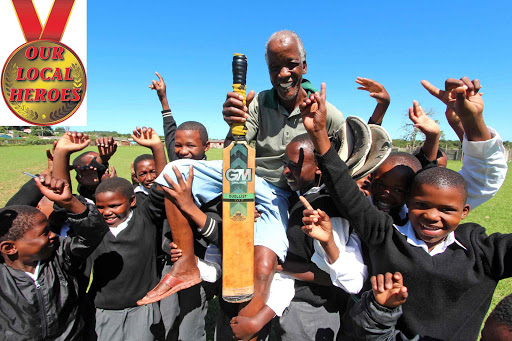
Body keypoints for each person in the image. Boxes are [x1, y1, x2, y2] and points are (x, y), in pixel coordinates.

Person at [140, 32, 344, 340]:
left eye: (291, 65)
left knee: (262, 266)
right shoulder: (260, 101)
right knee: (173, 172)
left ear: (304, 65)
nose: (283, 74)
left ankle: (249, 328)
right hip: (250, 179)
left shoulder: (328, 113)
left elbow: (338, 168)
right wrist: (231, 122)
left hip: (288, 196)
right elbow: (237, 148)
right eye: (275, 67)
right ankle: (185, 266)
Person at [301, 79, 511, 340]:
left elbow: (483, 176)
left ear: (465, 211)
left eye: (446, 210)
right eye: (421, 205)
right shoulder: (386, 234)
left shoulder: (482, 251)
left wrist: (471, 121)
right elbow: (345, 190)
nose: (433, 216)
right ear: (409, 202)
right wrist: (319, 133)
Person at [0, 174, 109, 340]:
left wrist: (69, 202)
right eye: (44, 233)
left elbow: (94, 232)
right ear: (9, 248)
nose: (52, 235)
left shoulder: (60, 256)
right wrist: (34, 185)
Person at [86, 127, 167, 340]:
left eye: (114, 205)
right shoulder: (95, 227)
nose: (107, 212)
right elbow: (67, 200)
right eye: (101, 207)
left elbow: (162, 188)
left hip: (142, 307)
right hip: (105, 310)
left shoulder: (145, 217)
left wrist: (157, 146)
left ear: (132, 201)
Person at [150, 72, 214, 341]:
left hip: (199, 261)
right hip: (171, 260)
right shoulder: (175, 170)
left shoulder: (212, 176)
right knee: (166, 320)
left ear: (206, 147)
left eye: (191, 145)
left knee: (192, 322)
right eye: (179, 146)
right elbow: (168, 136)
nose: (183, 151)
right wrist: (164, 100)